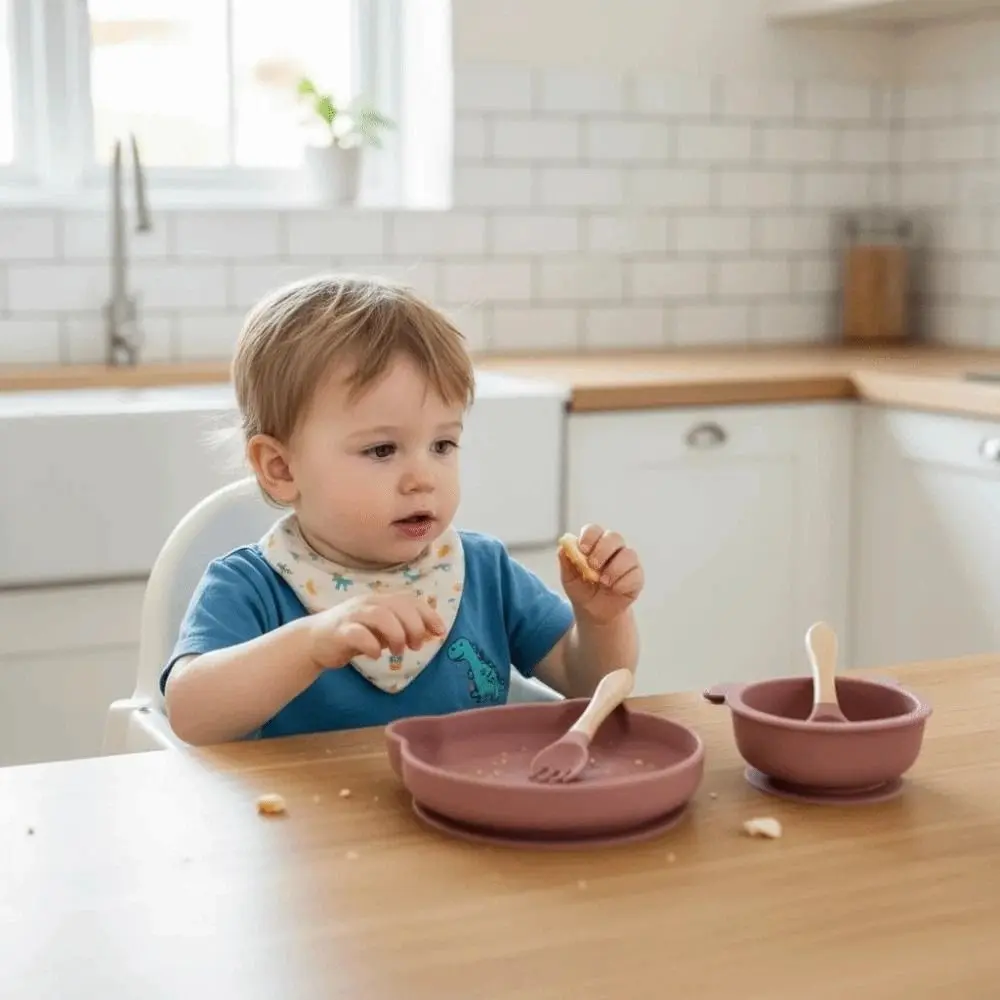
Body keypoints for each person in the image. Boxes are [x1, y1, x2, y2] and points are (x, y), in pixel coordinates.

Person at [162, 274, 644, 745]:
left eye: (442, 444)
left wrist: (600, 620)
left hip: (469, 811)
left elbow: (591, 685)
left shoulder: (484, 572)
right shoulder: (250, 587)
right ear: (282, 469)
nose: (424, 478)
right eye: (382, 450)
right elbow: (191, 715)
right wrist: (310, 643)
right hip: (312, 821)